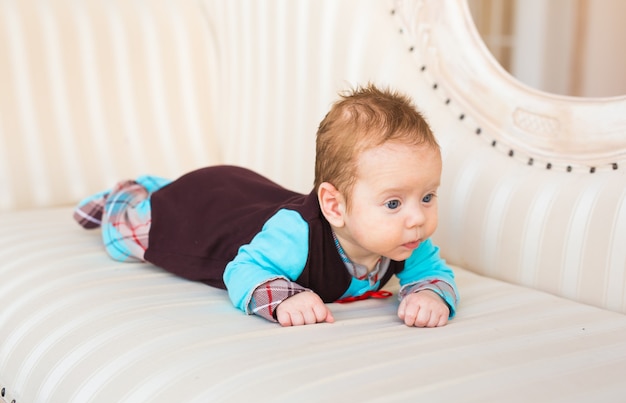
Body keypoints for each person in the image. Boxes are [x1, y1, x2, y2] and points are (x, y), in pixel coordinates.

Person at [74, 84, 459, 327]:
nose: (417, 218)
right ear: (335, 206)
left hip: (248, 193)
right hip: (204, 212)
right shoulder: (294, 236)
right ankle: (126, 195)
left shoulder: (405, 238)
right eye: (394, 202)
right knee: (136, 233)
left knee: (224, 197)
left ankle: (158, 186)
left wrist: (429, 294)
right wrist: (285, 298)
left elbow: (432, 272)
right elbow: (243, 270)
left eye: (427, 197)